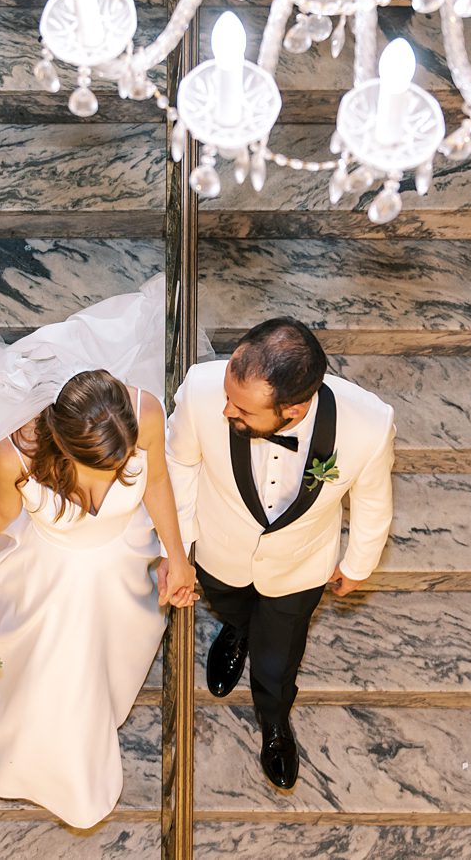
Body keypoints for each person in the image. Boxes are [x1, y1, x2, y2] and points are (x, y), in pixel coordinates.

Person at [0, 276, 198, 829]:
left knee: (104, 658)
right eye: (102, 468)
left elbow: (157, 482)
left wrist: (177, 555)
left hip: (119, 563)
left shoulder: (147, 415)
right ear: (61, 446)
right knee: (55, 669)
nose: (114, 476)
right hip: (46, 574)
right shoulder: (14, 457)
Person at [164, 317, 396, 790]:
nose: (226, 410)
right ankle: (234, 632)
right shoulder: (200, 390)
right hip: (218, 547)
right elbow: (180, 463)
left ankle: (274, 721)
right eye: (229, 395)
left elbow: (372, 502)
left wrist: (357, 564)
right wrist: (182, 547)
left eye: (243, 410)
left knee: (277, 661)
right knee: (228, 605)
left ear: (293, 411)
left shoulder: (368, 425)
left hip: (300, 567)